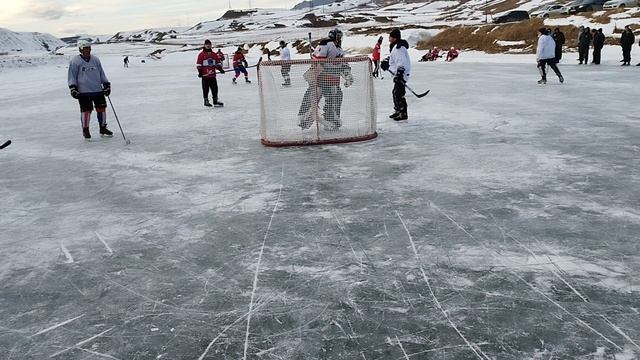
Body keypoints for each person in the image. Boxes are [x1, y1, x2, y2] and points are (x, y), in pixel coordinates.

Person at [297, 28, 353, 131]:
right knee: (313, 98)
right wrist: (317, 69)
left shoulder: (339, 49)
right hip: (321, 80)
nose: (340, 39)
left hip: (333, 81)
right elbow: (317, 59)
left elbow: (343, 63)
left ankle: (331, 120)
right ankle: (304, 119)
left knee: (336, 97)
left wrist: (348, 75)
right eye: (339, 36)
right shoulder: (325, 45)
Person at [68, 40, 113, 140]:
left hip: (97, 89)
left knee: (102, 109)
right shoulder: (75, 61)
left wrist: (106, 84)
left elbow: (101, 73)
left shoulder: (95, 60)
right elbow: (72, 76)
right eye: (85, 48)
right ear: (80, 49)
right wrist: (73, 88)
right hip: (84, 91)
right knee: (86, 111)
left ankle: (103, 128)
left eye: (89, 48)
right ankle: (85, 130)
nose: (88, 50)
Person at [381, 28, 411, 121]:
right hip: (398, 73)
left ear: (394, 38)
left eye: (390, 37)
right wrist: (387, 63)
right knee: (395, 92)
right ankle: (398, 110)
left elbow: (401, 61)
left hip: (401, 74)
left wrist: (400, 73)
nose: (389, 39)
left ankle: (403, 113)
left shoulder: (399, 48)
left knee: (399, 93)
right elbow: (394, 60)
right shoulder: (395, 47)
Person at [196, 39, 224, 107]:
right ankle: (206, 101)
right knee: (206, 89)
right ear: (204, 45)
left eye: (209, 44)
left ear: (211, 45)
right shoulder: (201, 54)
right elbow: (199, 64)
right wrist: (200, 72)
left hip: (212, 75)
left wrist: (220, 69)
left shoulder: (214, 54)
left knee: (215, 89)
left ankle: (215, 101)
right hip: (205, 76)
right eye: (206, 44)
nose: (208, 45)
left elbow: (217, 63)